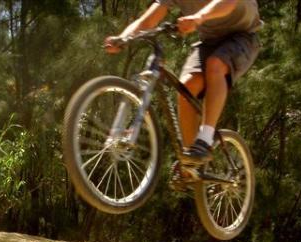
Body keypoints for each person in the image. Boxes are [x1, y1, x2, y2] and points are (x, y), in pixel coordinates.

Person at [105, 0, 261, 165]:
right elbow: (147, 21)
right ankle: (191, 158)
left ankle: (205, 139)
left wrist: (198, 17)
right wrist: (122, 38)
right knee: (186, 87)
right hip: (210, 41)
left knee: (215, 64)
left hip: (243, 36)